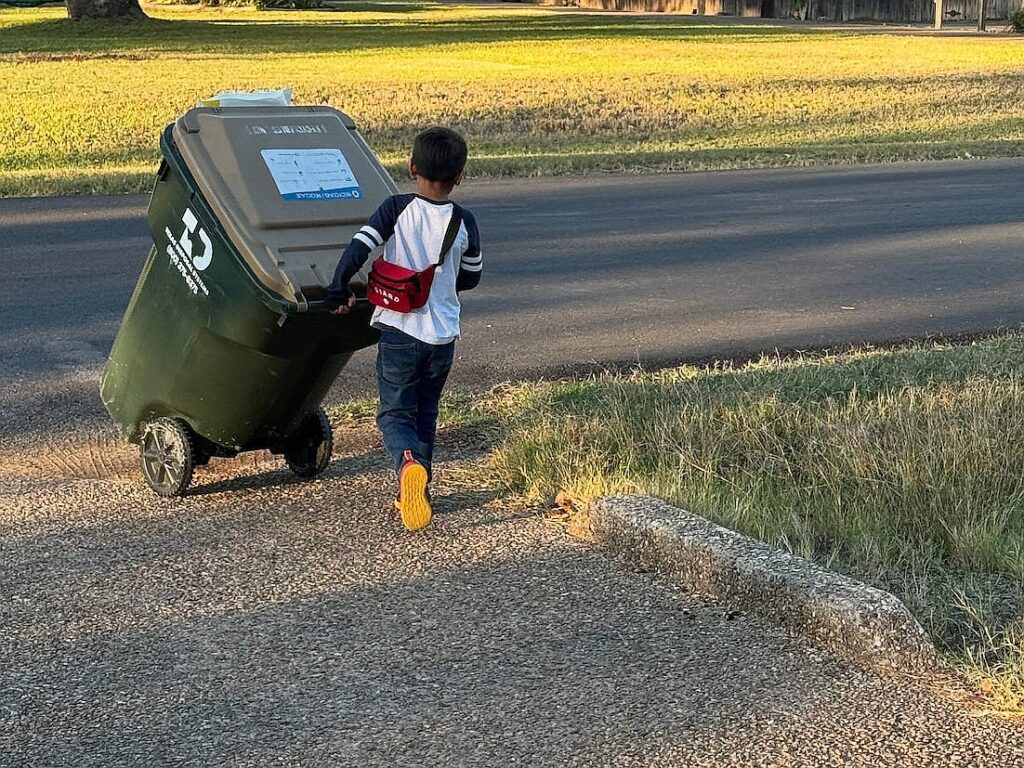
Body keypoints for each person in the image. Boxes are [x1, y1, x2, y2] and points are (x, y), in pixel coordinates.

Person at [326, 126, 482, 532]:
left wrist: (338, 287)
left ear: (411, 167)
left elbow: (359, 248)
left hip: (399, 330)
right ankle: (418, 492)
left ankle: (407, 464)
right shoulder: (464, 222)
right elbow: (471, 278)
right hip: (442, 336)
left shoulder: (395, 208)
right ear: (460, 176)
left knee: (395, 413)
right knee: (425, 412)